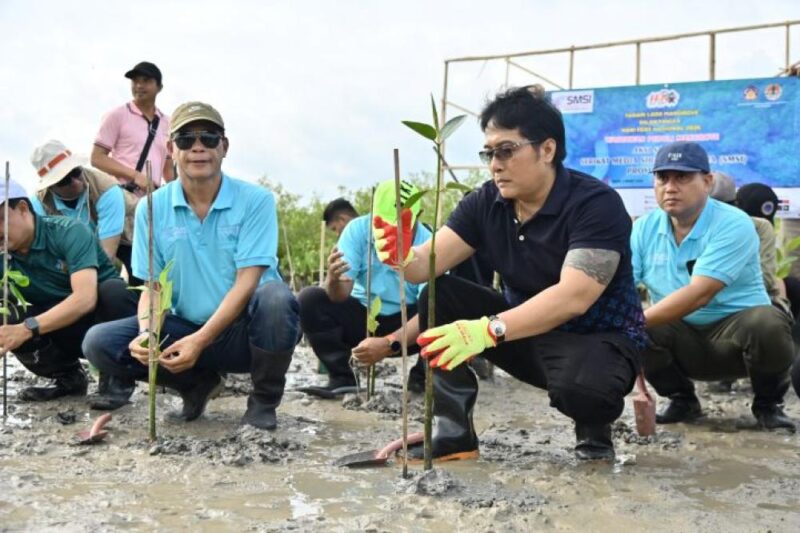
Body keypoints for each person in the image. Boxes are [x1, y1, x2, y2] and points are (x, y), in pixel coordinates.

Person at [374, 86, 646, 461]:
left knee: (584, 387)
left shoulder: (594, 204)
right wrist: (399, 251)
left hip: (597, 341)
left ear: (547, 150)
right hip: (526, 337)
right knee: (443, 296)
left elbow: (574, 296)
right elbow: (425, 266)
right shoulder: (486, 202)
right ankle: (453, 434)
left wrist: (486, 330)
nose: (495, 164)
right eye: (489, 153)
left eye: (506, 150)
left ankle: (594, 436)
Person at [82, 101, 300, 430]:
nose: (198, 147)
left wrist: (201, 340)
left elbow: (248, 281)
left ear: (224, 147)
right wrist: (147, 334)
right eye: (185, 139)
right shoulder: (151, 208)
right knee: (98, 343)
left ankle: (263, 401)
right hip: (184, 329)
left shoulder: (256, 201)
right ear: (170, 149)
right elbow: (152, 287)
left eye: (209, 138)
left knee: (276, 298)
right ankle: (196, 383)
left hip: (244, 333)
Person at [632, 142, 795, 432]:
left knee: (766, 321)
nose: (670, 187)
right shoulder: (643, 228)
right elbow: (621, 286)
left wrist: (630, 323)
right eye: (663, 178)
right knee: (639, 326)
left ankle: (768, 404)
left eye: (682, 177)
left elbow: (700, 293)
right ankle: (682, 400)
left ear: (707, 182)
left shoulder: (734, 223)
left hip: (733, 341)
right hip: (683, 340)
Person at [0, 178, 137, 404]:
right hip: (57, 329)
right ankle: (68, 378)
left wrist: (26, 328)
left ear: (23, 209)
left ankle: (117, 376)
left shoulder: (69, 232)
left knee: (114, 290)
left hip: (100, 324)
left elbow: (85, 299)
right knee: (8, 310)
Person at [298, 180, 430, 397]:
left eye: (400, 225)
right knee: (310, 299)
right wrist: (333, 279)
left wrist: (389, 343)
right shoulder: (357, 230)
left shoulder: (430, 243)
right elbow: (340, 295)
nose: (390, 233)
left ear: (418, 215)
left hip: (411, 325)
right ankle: (342, 377)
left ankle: (422, 378)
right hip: (364, 317)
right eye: (383, 224)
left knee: (445, 301)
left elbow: (429, 311)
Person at [91, 61, 174, 283]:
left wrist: (177, 193)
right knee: (108, 262)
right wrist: (135, 176)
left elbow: (168, 165)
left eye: (146, 80)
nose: (139, 85)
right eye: (135, 80)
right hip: (118, 199)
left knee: (145, 269)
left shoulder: (168, 123)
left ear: (159, 86)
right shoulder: (117, 115)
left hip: (148, 203)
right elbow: (96, 158)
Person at [30, 140, 136, 270]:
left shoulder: (107, 189)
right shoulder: (38, 205)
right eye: (64, 180)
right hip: (72, 251)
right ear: (50, 186)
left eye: (75, 172)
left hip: (126, 240)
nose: (75, 182)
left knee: (133, 274)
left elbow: (107, 255)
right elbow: (46, 253)